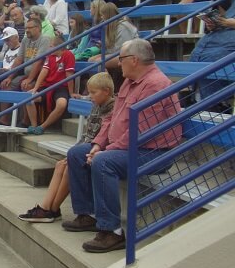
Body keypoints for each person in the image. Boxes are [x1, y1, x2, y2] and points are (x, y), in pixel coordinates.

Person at [64, 39, 182, 253]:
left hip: (153, 152)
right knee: (76, 153)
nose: (118, 63)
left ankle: (112, 232)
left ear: (134, 60)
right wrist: (99, 143)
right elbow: (111, 119)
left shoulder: (155, 84)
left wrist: (106, 150)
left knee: (103, 162)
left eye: (121, 58)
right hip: (126, 147)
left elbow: (141, 131)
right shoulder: (129, 81)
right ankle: (88, 215)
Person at [18, 72, 115, 222]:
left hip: (101, 149)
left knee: (69, 165)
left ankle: (51, 210)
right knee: (60, 164)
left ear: (107, 91)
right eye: (89, 92)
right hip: (88, 146)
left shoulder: (113, 108)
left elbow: (105, 137)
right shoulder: (96, 106)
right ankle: (47, 208)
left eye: (93, 93)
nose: (90, 96)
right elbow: (87, 134)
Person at [189, 0, 235, 107]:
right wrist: (215, 24)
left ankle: (216, 103)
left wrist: (230, 23)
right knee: (196, 54)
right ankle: (199, 99)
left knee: (212, 59)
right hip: (216, 39)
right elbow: (227, 20)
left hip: (226, 46)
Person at [0, 18, 51, 125]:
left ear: (38, 28)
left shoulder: (45, 39)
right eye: (26, 28)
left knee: (27, 87)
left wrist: (30, 79)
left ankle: (25, 122)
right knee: (5, 85)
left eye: (30, 28)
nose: (27, 30)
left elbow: (39, 61)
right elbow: (19, 59)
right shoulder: (25, 40)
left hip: (40, 76)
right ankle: (4, 119)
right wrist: (9, 77)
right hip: (26, 74)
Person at [24, 35, 75, 135]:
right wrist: (35, 88)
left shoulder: (68, 55)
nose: (49, 48)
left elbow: (69, 76)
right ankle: (34, 126)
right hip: (47, 87)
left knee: (62, 104)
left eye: (51, 46)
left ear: (59, 46)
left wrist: (71, 93)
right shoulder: (50, 56)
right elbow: (44, 71)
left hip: (61, 88)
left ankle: (43, 127)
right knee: (29, 98)